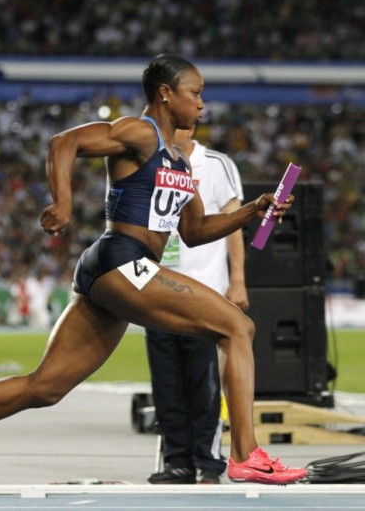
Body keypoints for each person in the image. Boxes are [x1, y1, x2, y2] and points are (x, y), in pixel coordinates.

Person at [0, 53, 308, 491]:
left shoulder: (180, 161)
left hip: (119, 271)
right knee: (238, 328)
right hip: (122, 260)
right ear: (166, 93)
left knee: (44, 387)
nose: (202, 104)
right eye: (195, 93)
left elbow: (197, 231)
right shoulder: (141, 133)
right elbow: (63, 143)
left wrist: (253, 211)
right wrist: (63, 204)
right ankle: (245, 455)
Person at [145, 124, 247, 485]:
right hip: (157, 293)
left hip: (204, 292)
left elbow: (234, 225)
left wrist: (237, 281)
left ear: (190, 129)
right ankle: (177, 462)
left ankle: (208, 462)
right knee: (166, 385)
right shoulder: (151, 162)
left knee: (204, 385)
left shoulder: (216, 164)